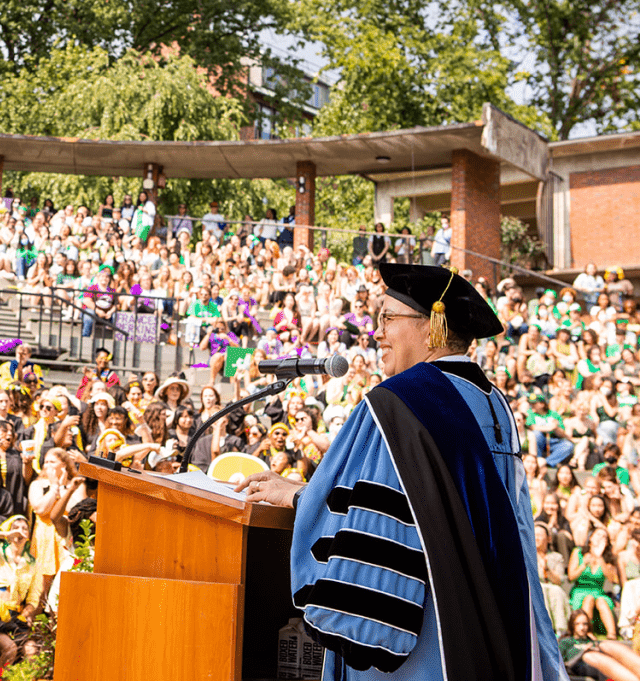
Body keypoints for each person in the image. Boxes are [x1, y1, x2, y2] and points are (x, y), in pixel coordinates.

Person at [240, 264, 566, 680]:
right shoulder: (494, 402)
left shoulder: (396, 405)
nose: (375, 332)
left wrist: (298, 497)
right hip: (493, 625)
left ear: (431, 328)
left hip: (425, 640)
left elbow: (368, 517)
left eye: (387, 318)